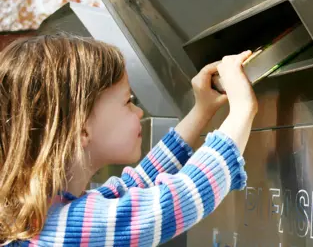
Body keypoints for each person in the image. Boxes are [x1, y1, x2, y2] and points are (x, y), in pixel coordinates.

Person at [0, 33, 258, 246]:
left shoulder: (47, 216)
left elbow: (135, 185)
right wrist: (242, 109)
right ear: (82, 129)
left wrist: (202, 110)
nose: (139, 111)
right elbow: (176, 201)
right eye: (128, 102)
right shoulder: (67, 232)